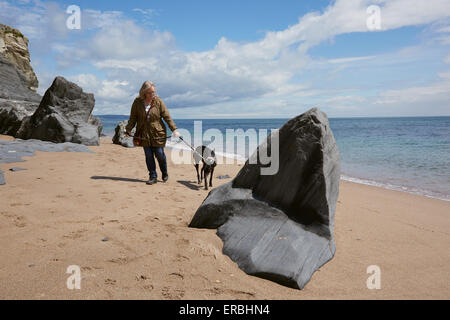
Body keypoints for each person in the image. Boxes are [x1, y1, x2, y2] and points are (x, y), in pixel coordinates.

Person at [125, 81, 180, 185]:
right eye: (150, 93)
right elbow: (133, 118)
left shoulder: (159, 102)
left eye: (154, 92)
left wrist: (174, 130)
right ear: (144, 92)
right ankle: (153, 176)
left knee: (159, 154)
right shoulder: (137, 102)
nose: (152, 95)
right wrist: (128, 129)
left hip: (158, 133)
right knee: (149, 156)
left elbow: (167, 117)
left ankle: (164, 172)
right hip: (144, 134)